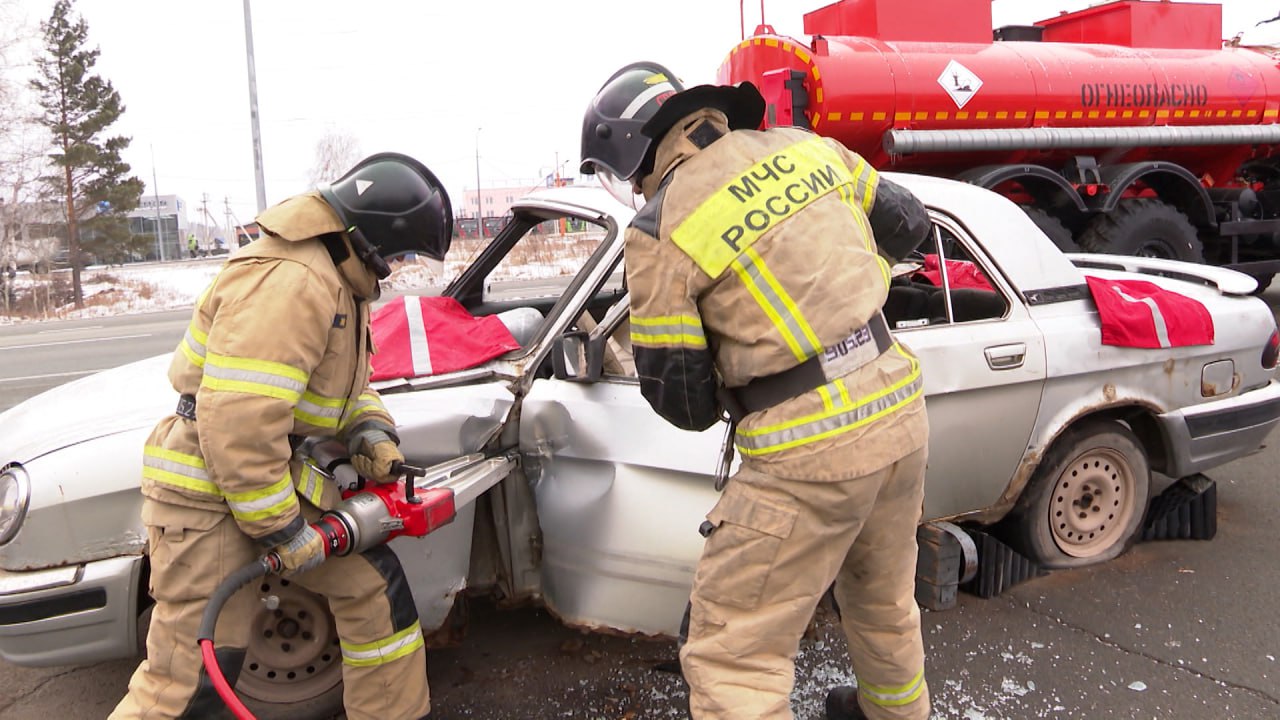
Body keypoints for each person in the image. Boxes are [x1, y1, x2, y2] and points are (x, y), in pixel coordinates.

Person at [578, 62, 933, 720]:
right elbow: (910, 225)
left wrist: (737, 363)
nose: (631, 186)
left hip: (808, 451)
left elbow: (682, 401)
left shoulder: (661, 226)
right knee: (884, 603)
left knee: (732, 656)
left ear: (637, 152)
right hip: (900, 409)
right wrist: (857, 284)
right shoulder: (808, 147)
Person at [110, 152, 453, 720]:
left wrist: (371, 432)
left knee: (374, 593)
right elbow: (239, 423)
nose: (395, 268)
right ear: (370, 240)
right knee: (190, 683)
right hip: (211, 496)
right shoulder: (292, 281)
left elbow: (347, 387)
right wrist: (284, 531)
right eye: (398, 255)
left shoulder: (336, 279)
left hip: (264, 484)